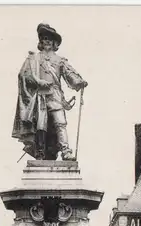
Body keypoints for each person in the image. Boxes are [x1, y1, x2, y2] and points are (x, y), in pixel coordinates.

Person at [12, 23, 88, 161]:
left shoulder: (60, 60)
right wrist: (39, 82)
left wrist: (78, 82)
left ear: (54, 42)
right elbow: (24, 75)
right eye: (44, 38)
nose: (46, 41)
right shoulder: (33, 58)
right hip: (39, 97)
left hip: (55, 95)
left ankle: (65, 151)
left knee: (60, 122)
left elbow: (69, 74)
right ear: (40, 41)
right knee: (41, 125)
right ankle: (40, 152)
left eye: (49, 38)